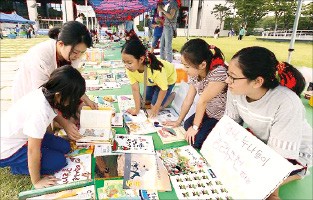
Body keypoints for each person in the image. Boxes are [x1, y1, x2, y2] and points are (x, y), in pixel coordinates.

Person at [225, 46, 312, 199]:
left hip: (296, 151)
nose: (227, 80)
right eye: (228, 74)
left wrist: (272, 192)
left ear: (257, 81)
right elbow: (230, 126)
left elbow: (279, 158)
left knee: (250, 180)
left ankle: (300, 171)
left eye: (232, 76)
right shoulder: (235, 90)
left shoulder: (287, 103)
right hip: (263, 142)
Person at [0, 65, 86, 189]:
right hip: (9, 149)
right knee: (58, 162)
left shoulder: (47, 92)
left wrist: (65, 124)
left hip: (23, 136)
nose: (73, 102)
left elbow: (53, 111)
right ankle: (17, 167)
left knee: (65, 146)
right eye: (72, 98)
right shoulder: (39, 111)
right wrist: (37, 181)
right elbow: (32, 150)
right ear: (59, 95)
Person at [12, 21, 97, 141]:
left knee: (67, 118)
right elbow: (43, 98)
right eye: (76, 52)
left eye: (82, 53)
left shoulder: (69, 55)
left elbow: (72, 82)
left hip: (51, 97)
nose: (77, 56)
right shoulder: (41, 56)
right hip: (33, 96)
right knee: (40, 131)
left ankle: (52, 134)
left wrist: (86, 99)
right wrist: (65, 123)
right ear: (61, 44)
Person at [163, 39, 228, 149]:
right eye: (183, 65)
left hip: (220, 116)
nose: (184, 69)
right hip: (207, 112)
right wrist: (178, 121)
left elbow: (202, 101)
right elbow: (189, 99)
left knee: (196, 141)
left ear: (202, 64)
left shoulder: (218, 72)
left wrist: (195, 127)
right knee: (186, 125)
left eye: (187, 66)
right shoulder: (195, 74)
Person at [121, 38, 177, 117]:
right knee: (145, 102)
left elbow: (163, 89)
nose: (126, 66)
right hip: (152, 81)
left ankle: (172, 96)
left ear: (141, 59)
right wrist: (136, 110)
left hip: (167, 80)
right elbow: (135, 89)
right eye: (124, 62)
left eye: (129, 62)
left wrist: (156, 107)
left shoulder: (156, 70)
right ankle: (155, 94)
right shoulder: (130, 69)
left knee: (154, 107)